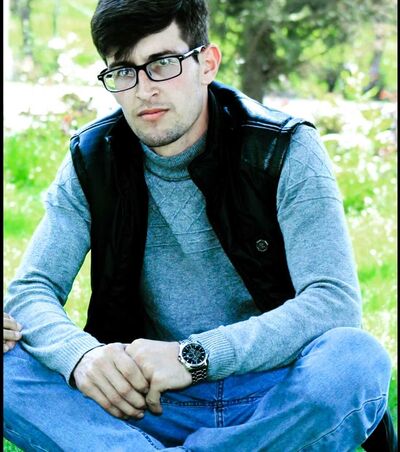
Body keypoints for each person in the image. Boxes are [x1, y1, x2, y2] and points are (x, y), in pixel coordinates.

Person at [3, 1, 394, 451]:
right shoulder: (93, 159)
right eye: (124, 71)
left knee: (356, 359)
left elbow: (333, 302)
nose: (144, 90)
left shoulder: (283, 148)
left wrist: (193, 357)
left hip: (273, 394)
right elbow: (31, 291)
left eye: (162, 63)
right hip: (145, 402)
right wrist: (82, 356)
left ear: (207, 63)